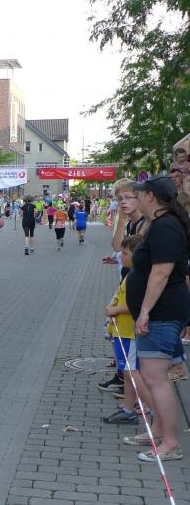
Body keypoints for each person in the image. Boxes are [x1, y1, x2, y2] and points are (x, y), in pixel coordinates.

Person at [123, 174, 190, 462]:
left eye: (139, 194)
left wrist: (145, 311)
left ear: (150, 197)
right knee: (152, 377)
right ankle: (160, 431)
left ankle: (171, 442)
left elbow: (161, 272)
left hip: (162, 312)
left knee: (155, 378)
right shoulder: (161, 225)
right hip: (160, 311)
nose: (136, 198)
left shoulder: (165, 227)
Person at [103, 235, 160, 429]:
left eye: (125, 253)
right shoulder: (132, 273)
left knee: (131, 372)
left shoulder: (139, 277)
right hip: (123, 331)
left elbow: (137, 305)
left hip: (130, 331)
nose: (121, 256)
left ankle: (154, 410)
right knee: (128, 373)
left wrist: (115, 309)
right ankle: (128, 409)